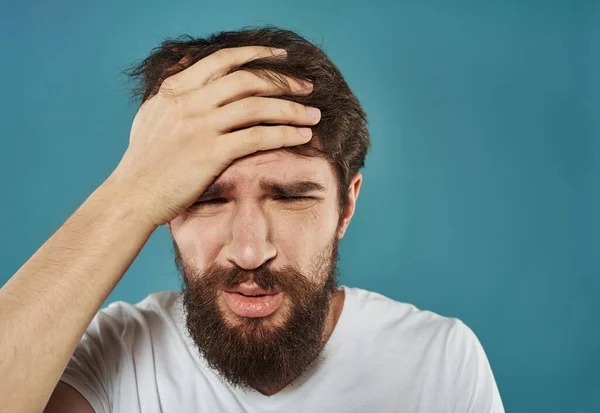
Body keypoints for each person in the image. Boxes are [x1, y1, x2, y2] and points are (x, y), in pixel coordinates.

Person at [0, 27, 505, 413]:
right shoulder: (105, 359)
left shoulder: (439, 361)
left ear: (345, 207)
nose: (249, 251)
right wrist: (128, 192)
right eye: (208, 200)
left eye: (289, 197)